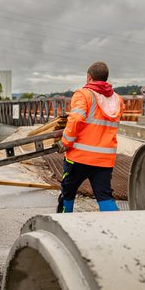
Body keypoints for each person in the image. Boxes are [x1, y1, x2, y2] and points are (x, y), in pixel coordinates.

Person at [56, 61, 125, 213]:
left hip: (79, 157)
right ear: (105, 78)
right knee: (104, 195)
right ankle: (118, 228)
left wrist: (65, 142)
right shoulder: (118, 100)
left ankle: (63, 224)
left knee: (68, 191)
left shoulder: (83, 95)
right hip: (104, 159)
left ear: (89, 77)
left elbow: (76, 120)